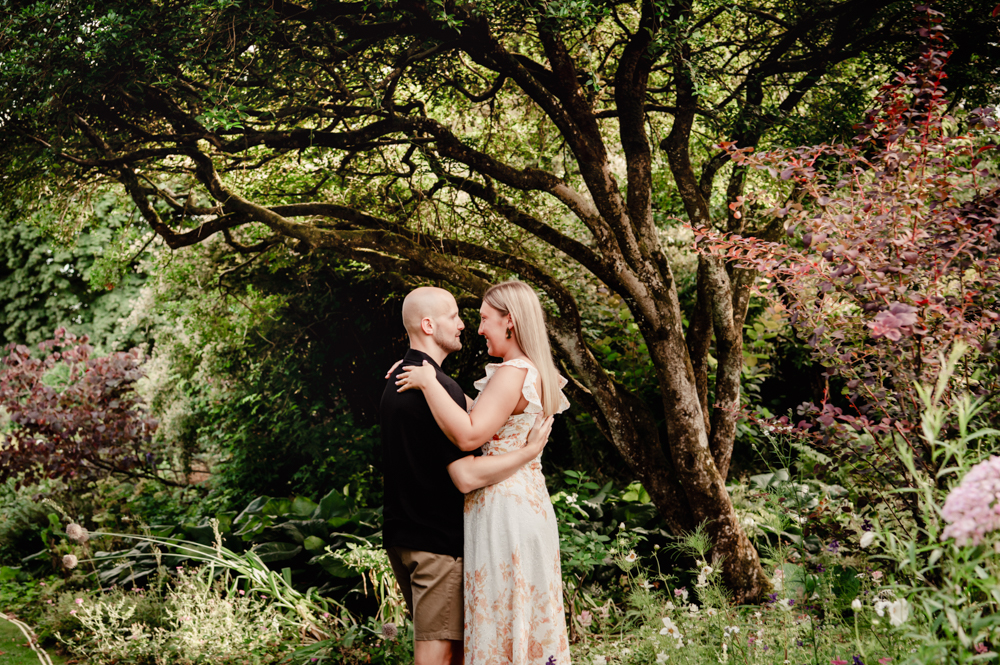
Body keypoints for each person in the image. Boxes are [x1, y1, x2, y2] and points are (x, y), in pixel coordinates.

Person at [396, 281, 572, 665]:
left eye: (484, 319)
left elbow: (470, 434)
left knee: (503, 615)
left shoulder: (513, 372)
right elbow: (476, 411)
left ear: (510, 321)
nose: (477, 329)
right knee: (514, 615)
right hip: (521, 499)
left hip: (505, 507)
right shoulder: (526, 370)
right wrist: (424, 371)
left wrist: (428, 381)